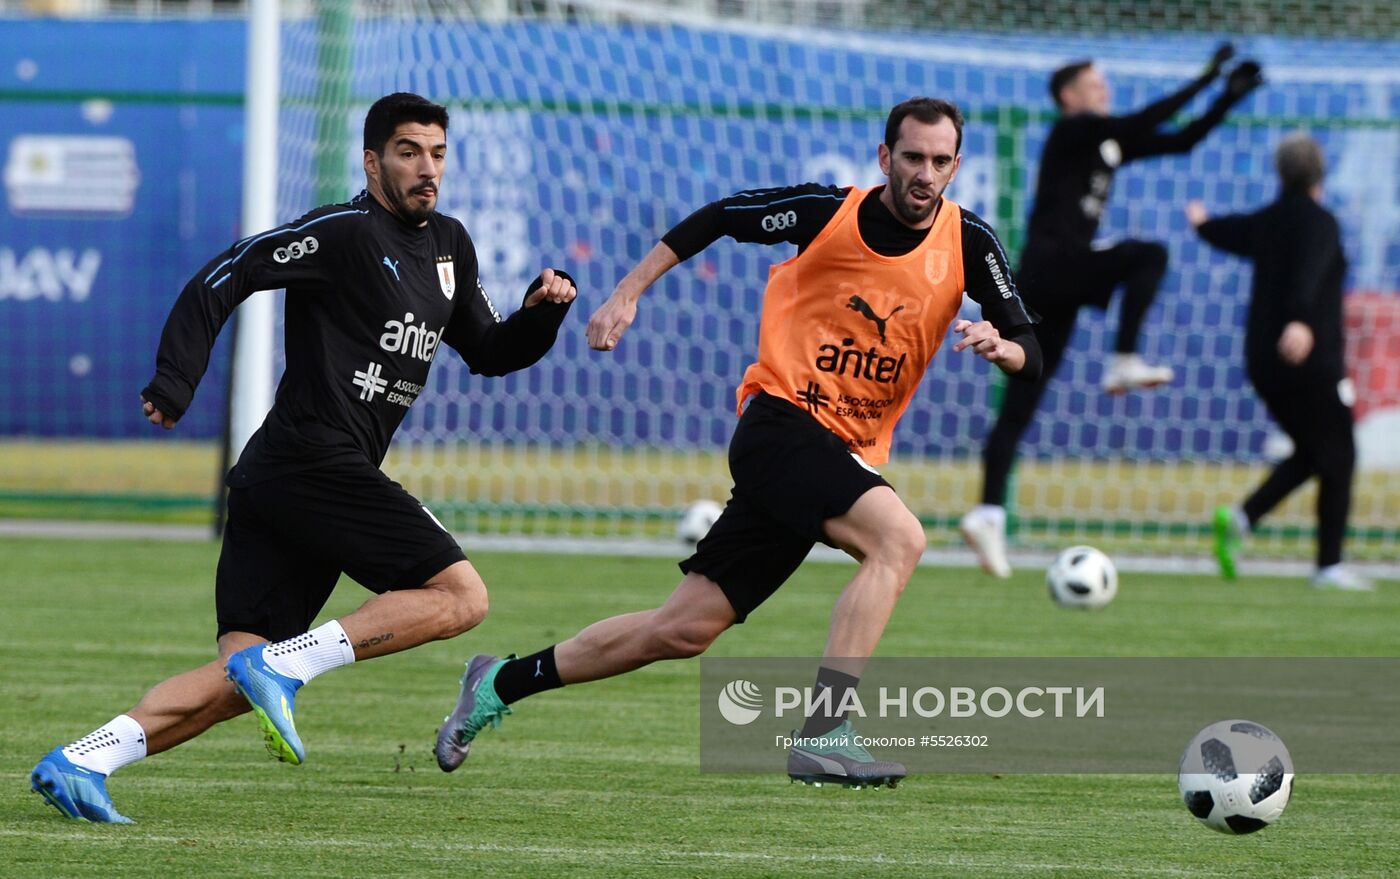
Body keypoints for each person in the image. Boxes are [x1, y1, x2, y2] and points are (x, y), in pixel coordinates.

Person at [433, 98, 1043, 789]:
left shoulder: (970, 242)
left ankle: (498, 682)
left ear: (957, 166)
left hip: (838, 454)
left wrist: (1004, 348)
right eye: (912, 158)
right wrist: (626, 294)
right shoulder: (828, 212)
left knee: (681, 630)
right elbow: (722, 216)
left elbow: (1031, 347)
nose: (925, 173)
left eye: (940, 161)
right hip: (779, 426)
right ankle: (825, 731)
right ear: (884, 158)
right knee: (898, 538)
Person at [29, 92, 578, 823]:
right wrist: (175, 378)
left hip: (284, 481)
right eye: (409, 151)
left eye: (438, 153)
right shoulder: (344, 232)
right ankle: (282, 666)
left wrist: (544, 315)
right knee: (462, 597)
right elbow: (227, 274)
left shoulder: (451, 245)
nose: (427, 169)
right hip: (309, 460)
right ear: (373, 158)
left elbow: (490, 349)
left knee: (233, 682)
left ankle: (81, 760)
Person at [960, 45, 1265, 578]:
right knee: (1149, 254)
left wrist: (1226, 100)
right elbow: (1146, 119)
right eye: (1095, 84)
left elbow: (1181, 140)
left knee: (1023, 397)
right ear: (1069, 95)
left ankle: (987, 514)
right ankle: (1123, 358)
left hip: (1054, 280)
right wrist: (1204, 78)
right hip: (1055, 266)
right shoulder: (1072, 131)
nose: (1104, 90)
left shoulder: (1107, 143)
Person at [1187, 134, 1371, 591]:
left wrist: (1203, 223)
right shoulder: (1321, 221)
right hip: (1309, 359)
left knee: (1316, 452)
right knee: (1340, 455)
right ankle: (1329, 567)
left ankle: (1243, 518)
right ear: (1320, 174)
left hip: (1264, 363)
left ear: (1281, 173)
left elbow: (1229, 232)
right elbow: (1309, 272)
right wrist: (1302, 321)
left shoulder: (1268, 220)